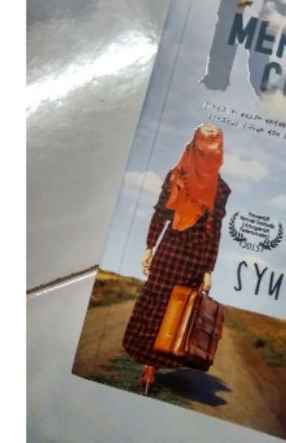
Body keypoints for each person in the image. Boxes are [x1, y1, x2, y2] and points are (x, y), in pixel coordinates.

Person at [122, 124, 230, 393]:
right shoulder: (215, 187)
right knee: (171, 311)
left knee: (160, 308)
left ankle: (150, 368)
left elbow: (162, 213)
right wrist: (150, 246)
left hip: (174, 251)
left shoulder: (179, 177)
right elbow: (212, 232)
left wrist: (150, 246)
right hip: (189, 255)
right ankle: (152, 366)